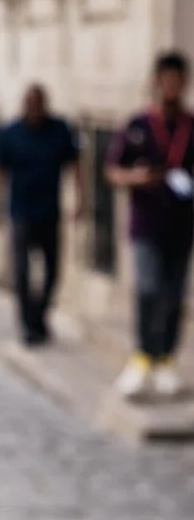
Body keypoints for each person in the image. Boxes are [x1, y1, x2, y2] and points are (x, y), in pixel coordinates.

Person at [106, 51, 194, 399]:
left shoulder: (190, 126)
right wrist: (135, 177)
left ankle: (166, 360)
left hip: (182, 225)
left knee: (173, 294)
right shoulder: (138, 125)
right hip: (146, 223)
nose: (172, 85)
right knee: (148, 289)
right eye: (166, 78)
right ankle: (143, 357)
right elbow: (112, 170)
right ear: (157, 81)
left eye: (178, 79)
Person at [0, 84, 84, 345]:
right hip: (20, 212)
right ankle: (28, 325)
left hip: (50, 212)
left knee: (52, 271)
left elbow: (75, 164)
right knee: (21, 272)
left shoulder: (59, 130)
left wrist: (80, 199)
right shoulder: (10, 134)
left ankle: (39, 316)